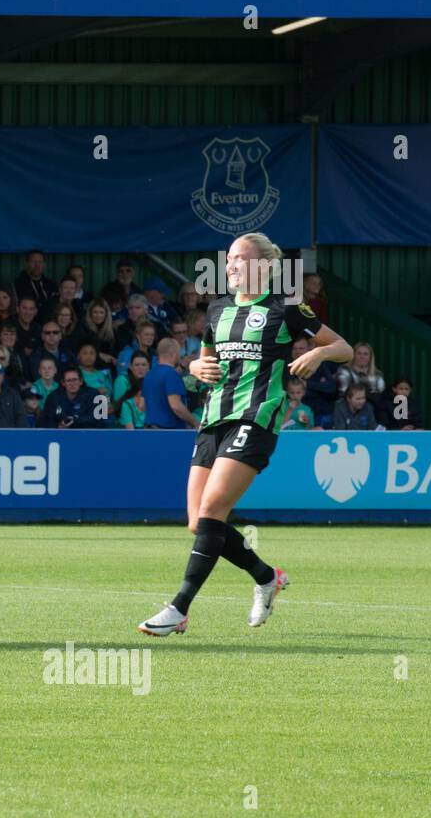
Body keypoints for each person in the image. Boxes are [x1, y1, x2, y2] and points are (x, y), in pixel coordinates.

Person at [140, 232, 352, 638]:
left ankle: (179, 608)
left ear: (261, 266)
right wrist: (194, 370)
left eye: (239, 258)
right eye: (229, 259)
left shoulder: (286, 307)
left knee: (213, 508)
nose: (230, 265)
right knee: (197, 521)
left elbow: (340, 346)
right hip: (214, 418)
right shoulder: (217, 309)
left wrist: (319, 352)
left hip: (256, 419)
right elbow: (205, 361)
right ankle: (266, 576)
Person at [141, 338, 198, 430]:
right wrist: (195, 422)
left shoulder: (149, 374)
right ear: (174, 354)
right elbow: (176, 406)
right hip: (168, 432)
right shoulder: (171, 374)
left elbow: (141, 405)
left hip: (149, 430)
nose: (180, 356)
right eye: (179, 353)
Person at [40, 367, 110, 428]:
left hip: (88, 437)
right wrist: (57, 426)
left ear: (81, 381)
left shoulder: (94, 394)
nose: (72, 384)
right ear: (63, 383)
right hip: (60, 436)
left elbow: (99, 419)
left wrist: (75, 421)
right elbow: (45, 421)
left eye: (75, 380)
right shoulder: (53, 397)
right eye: (68, 380)